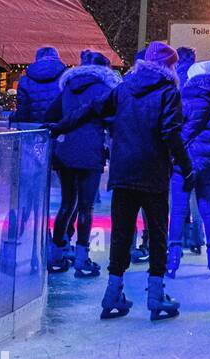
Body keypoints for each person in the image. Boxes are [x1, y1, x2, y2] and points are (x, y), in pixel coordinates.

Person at [53, 41, 194, 321]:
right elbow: (170, 132)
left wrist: (60, 125)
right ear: (168, 65)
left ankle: (112, 291)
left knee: (121, 233)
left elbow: (94, 108)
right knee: (156, 233)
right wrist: (186, 167)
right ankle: (156, 295)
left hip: (123, 171)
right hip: (152, 173)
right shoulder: (168, 92)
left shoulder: (124, 88)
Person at [45, 52, 119, 277]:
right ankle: (81, 257)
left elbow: (52, 113)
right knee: (86, 206)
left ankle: (57, 253)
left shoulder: (68, 85)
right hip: (90, 150)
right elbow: (111, 119)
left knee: (67, 202)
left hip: (66, 149)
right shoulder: (105, 89)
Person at [168, 59, 210, 278]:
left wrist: (174, 154)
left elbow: (180, 133)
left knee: (178, 210)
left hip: (186, 165)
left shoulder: (187, 101)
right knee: (207, 208)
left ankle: (173, 256)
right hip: (209, 166)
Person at [14, 45, 66, 124]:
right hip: (60, 128)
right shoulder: (67, 76)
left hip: (33, 129)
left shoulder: (25, 80)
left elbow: (22, 110)